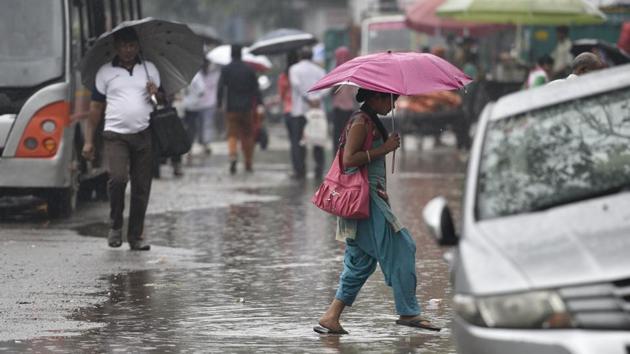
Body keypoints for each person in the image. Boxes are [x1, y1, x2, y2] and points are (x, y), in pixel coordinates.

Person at [313, 88, 440, 335]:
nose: (393, 105)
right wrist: (385, 148)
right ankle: (409, 311)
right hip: (366, 200)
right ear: (374, 97)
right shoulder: (361, 121)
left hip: (368, 200)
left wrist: (386, 145)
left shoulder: (370, 121)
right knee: (404, 246)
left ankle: (331, 316)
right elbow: (349, 160)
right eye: (391, 99)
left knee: (360, 262)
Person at [82, 27, 159, 251]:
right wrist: (88, 141)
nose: (128, 50)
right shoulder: (105, 72)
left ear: (138, 46)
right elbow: (95, 108)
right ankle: (115, 225)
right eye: (124, 46)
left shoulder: (150, 69)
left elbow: (159, 102)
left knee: (142, 187)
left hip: (143, 134)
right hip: (115, 135)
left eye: (132, 45)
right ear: (116, 47)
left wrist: (156, 92)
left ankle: (135, 236)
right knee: (117, 179)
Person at [217, 44, 262, 174]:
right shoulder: (249, 70)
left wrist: (219, 102)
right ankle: (248, 162)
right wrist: (259, 104)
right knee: (248, 135)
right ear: (241, 54)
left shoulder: (226, 69)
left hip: (231, 107)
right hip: (247, 107)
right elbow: (256, 89)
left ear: (231, 54)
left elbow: (220, 87)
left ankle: (232, 155)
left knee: (232, 133)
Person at [288, 46, 327, 179]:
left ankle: (300, 170)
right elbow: (327, 86)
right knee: (318, 140)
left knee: (299, 141)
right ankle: (319, 169)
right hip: (317, 111)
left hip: (300, 110)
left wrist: (307, 98)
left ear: (300, 56)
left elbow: (296, 84)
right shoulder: (320, 70)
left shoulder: (294, 69)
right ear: (312, 56)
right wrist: (316, 98)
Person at [183, 58, 220, 158]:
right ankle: (193, 147)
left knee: (188, 127)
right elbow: (201, 90)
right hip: (195, 106)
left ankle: (191, 148)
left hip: (186, 106)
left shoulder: (184, 75)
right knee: (194, 128)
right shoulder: (197, 76)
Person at [331, 46, 357, 155]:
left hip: (337, 107)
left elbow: (331, 91)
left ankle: (337, 155)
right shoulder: (353, 71)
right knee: (348, 133)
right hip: (349, 108)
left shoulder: (335, 71)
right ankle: (347, 154)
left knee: (337, 133)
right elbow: (355, 92)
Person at [278, 51, 298, 159]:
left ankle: (297, 168)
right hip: (301, 110)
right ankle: (302, 167)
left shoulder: (283, 76)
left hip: (288, 110)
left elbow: (281, 95)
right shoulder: (300, 73)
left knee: (293, 140)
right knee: (301, 140)